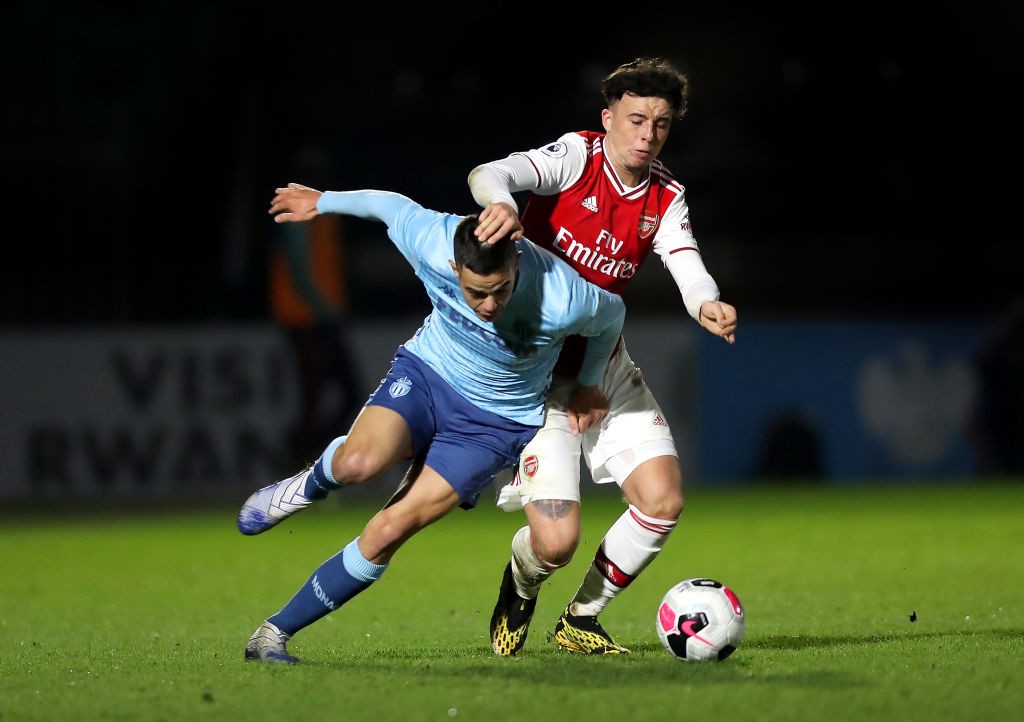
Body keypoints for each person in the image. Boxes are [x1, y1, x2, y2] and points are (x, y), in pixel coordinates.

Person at [238, 182, 626, 663]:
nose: (489, 306)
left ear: (516, 262)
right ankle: (309, 485)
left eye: (501, 290)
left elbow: (613, 315)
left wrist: (588, 383)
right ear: (453, 268)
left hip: (493, 425)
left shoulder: (563, 296)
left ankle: (271, 635)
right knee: (358, 464)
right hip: (428, 376)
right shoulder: (432, 239)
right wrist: (322, 202)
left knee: (389, 531)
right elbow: (388, 205)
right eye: (476, 293)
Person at [468, 56, 738, 656]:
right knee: (555, 544)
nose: (648, 135)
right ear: (608, 117)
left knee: (663, 501)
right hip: (537, 378)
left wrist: (707, 302)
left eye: (660, 124)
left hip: (603, 365)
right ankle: (522, 582)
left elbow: (686, 264)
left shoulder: (665, 195)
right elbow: (489, 173)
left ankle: (581, 618)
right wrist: (502, 204)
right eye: (636, 120)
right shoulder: (575, 158)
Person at [269, 147, 363, 469]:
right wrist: (329, 312)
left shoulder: (326, 212)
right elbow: (300, 274)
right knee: (319, 395)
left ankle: (309, 459)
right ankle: (301, 461)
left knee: (335, 394)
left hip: (319, 317)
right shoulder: (298, 215)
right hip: (304, 319)